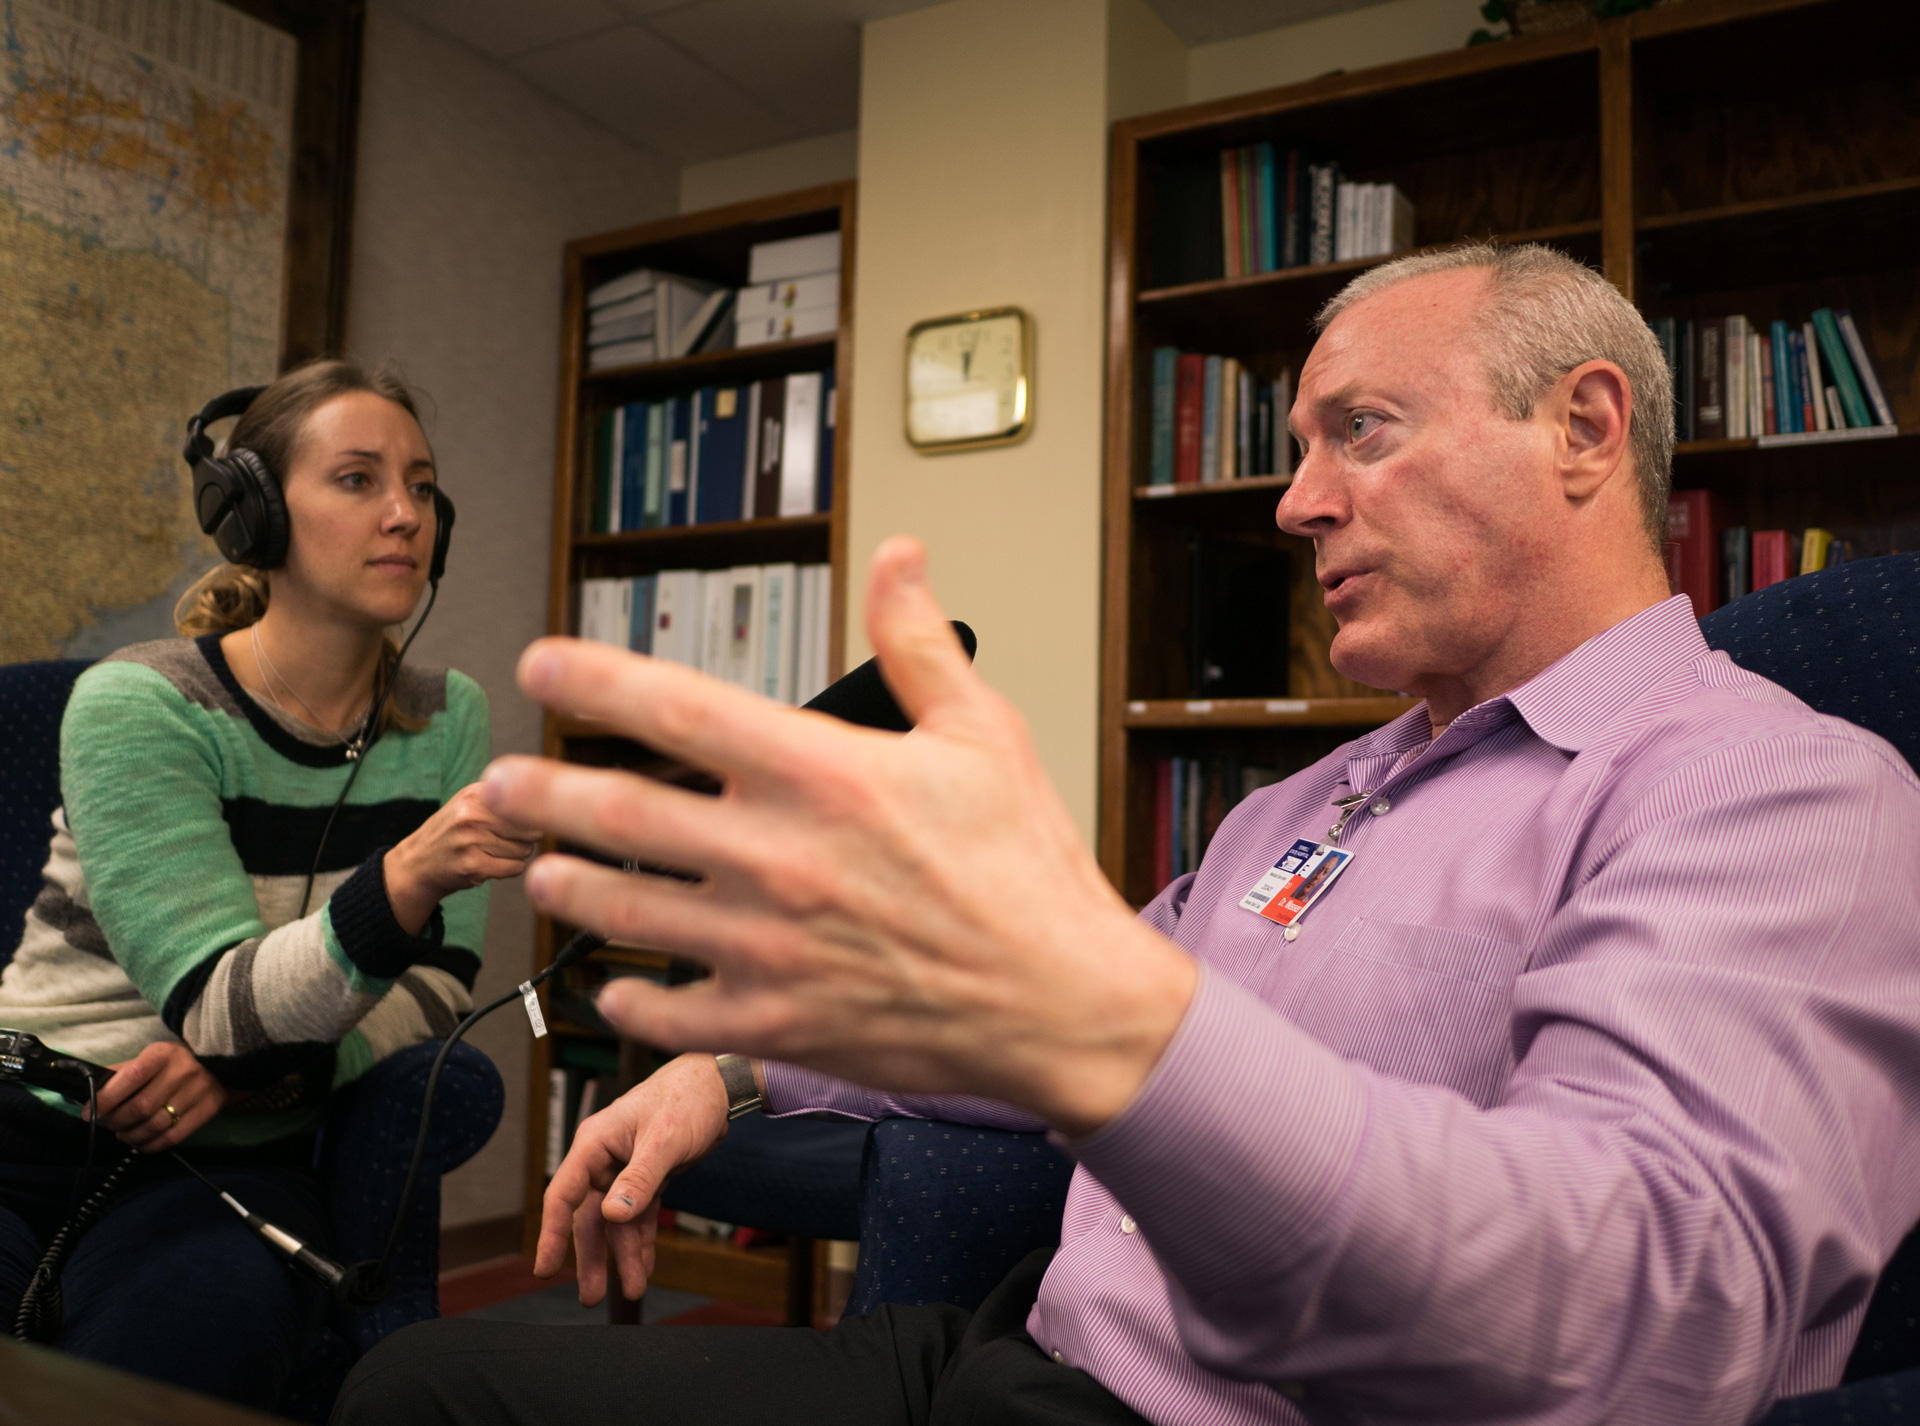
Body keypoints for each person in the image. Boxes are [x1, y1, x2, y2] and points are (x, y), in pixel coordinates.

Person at [338, 245, 1920, 1425]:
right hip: (1002, 1355)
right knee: (422, 1389)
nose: (1297, 503)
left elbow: (1651, 1324)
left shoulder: (1776, 791)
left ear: (1584, 427)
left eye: (1358, 430)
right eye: (1297, 448)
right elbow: (1047, 1012)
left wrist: (1130, 1036)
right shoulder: (1314, 799)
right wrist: (734, 1066)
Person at [0, 360, 538, 1412]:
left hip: (234, 1164)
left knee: (192, 1355)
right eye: (357, 479)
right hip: (29, 1131)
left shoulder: (448, 714)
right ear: (251, 513)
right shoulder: (142, 701)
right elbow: (216, 1005)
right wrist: (409, 872)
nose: (404, 514)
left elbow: (440, 983)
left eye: (423, 485)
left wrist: (258, 1078)